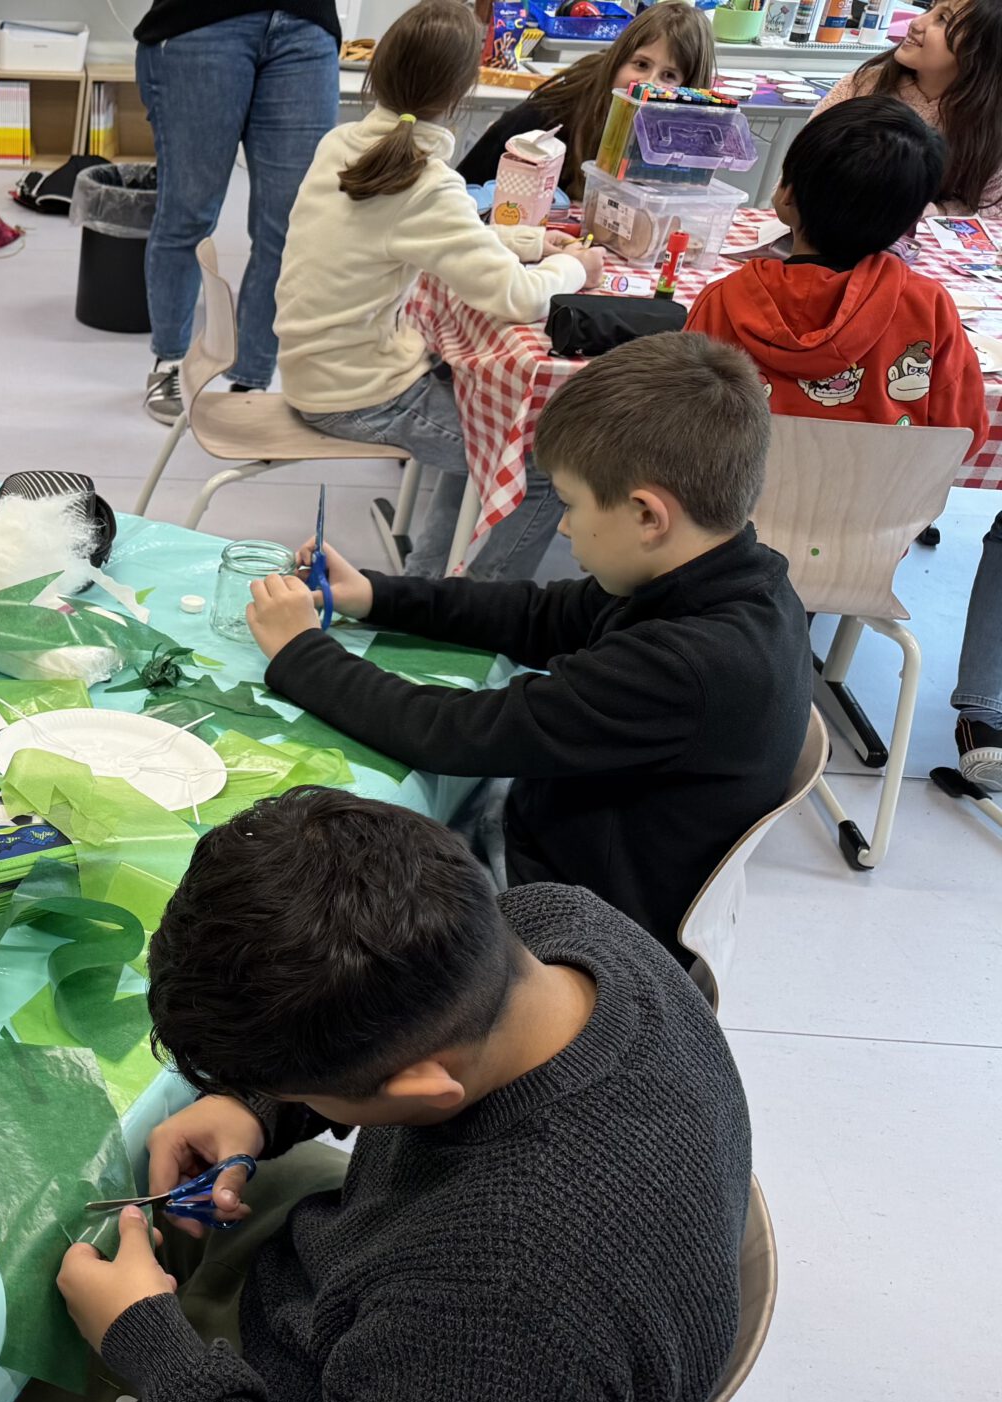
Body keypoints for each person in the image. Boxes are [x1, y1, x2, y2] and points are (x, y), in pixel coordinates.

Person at [47, 787, 751, 1402]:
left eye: (298, 1090)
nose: (291, 1100)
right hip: (380, 1291)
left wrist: (158, 1356)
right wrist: (256, 1107)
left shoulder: (492, 1309)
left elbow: (478, 1328)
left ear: (422, 1091)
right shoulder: (554, 924)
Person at [245, 331, 812, 960]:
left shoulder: (684, 666)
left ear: (648, 516)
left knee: (300, 895)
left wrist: (300, 652)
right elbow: (538, 615)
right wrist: (378, 595)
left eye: (569, 504)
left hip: (570, 919)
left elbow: (451, 733)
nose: (563, 526)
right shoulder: (725, 576)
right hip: (566, 835)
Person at [686, 98, 999, 790]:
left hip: (723, 547)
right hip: (863, 551)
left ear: (785, 196)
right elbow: (964, 434)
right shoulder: (930, 308)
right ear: (911, 223)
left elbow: (678, 427)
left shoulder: (724, 300)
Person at [273, 0, 607, 582]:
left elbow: (426, 232)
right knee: (543, 470)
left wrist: (529, 242)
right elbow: (521, 298)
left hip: (314, 371)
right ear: (462, 91)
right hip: (354, 396)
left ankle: (428, 582)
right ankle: (481, 608)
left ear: (377, 72)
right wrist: (576, 267)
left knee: (483, 418)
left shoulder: (344, 144)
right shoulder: (425, 181)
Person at [135, 0, 341, 425]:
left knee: (291, 228)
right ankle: (170, 363)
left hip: (306, 23)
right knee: (188, 213)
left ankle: (252, 379)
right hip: (201, 21)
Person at [457, 0, 716, 199]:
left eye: (669, 76)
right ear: (618, 60)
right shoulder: (554, 115)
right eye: (641, 64)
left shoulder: (678, 138)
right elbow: (467, 190)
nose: (649, 83)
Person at [813, 0, 1002, 224]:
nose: (916, 22)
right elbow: (803, 169)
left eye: (943, 19)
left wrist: (938, 211)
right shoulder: (865, 85)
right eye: (929, 9)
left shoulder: (991, 121)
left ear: (982, 48)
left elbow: (992, 213)